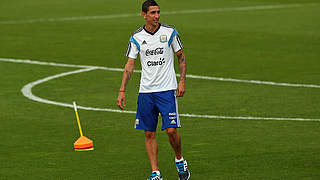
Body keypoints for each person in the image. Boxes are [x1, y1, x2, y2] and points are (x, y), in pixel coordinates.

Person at [117, 0, 190, 179]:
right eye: (152, 13)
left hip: (166, 90)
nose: (156, 16)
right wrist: (122, 90)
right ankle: (156, 172)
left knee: (171, 130)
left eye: (158, 12)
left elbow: (181, 57)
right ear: (144, 15)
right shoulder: (136, 37)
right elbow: (130, 65)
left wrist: (182, 82)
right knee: (149, 132)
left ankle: (179, 160)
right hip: (146, 92)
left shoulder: (170, 32)